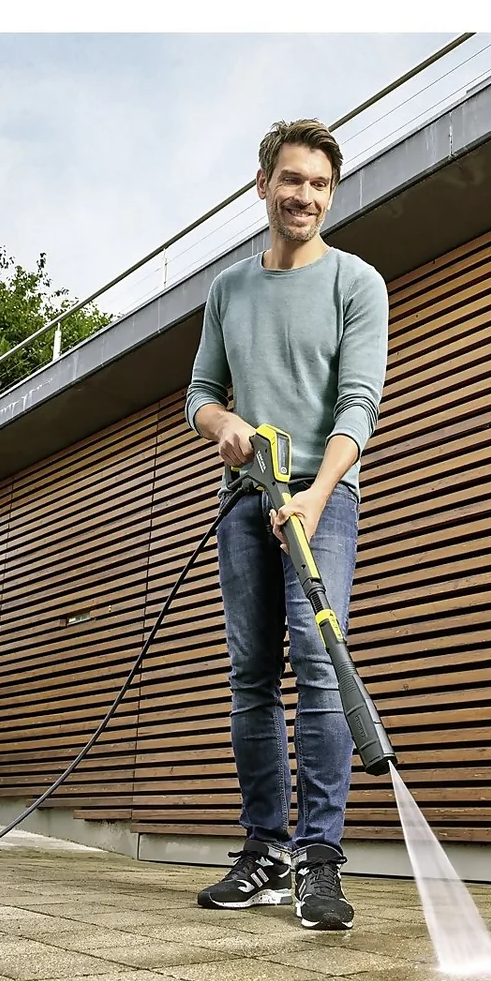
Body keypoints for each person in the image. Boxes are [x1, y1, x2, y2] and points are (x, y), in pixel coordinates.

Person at [184, 118, 389, 930]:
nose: (305, 195)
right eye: (293, 179)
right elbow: (199, 392)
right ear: (262, 185)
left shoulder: (357, 283)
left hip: (324, 500)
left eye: (320, 184)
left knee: (319, 661)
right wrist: (222, 426)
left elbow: (358, 406)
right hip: (244, 500)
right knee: (250, 675)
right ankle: (266, 852)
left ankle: (320, 859)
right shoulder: (228, 291)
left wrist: (314, 494)